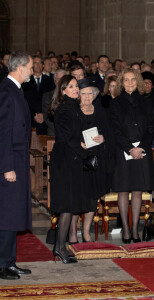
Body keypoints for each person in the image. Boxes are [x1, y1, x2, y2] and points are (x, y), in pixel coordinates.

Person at [110, 68, 154, 243]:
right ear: (122, 83)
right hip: (123, 151)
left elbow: (150, 128)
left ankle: (136, 229)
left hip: (141, 151)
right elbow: (115, 130)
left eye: (133, 80)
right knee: (123, 190)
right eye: (126, 80)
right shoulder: (115, 103)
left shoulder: (145, 102)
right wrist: (129, 148)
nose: (130, 83)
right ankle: (126, 230)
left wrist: (141, 147)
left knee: (137, 190)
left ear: (138, 82)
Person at [0, 51, 33, 280]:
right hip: (10, 163)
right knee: (7, 214)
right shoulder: (6, 91)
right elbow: (3, 134)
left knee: (12, 214)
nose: (32, 71)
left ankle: (9, 261)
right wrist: (7, 166)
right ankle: (3, 264)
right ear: (20, 67)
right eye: (31, 67)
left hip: (17, 161)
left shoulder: (16, 90)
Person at [68, 78, 112, 244]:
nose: (87, 97)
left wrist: (103, 138)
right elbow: (68, 135)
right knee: (76, 198)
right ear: (78, 95)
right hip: (77, 159)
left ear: (94, 96)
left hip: (95, 160)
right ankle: (73, 232)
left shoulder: (101, 112)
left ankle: (86, 232)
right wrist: (78, 143)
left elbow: (109, 134)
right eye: (84, 93)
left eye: (90, 94)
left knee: (92, 199)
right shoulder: (73, 111)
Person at [49, 75, 86, 264]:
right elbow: (65, 137)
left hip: (72, 160)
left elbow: (77, 134)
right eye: (70, 86)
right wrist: (83, 149)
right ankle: (59, 248)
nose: (75, 89)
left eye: (76, 86)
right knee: (66, 206)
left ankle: (61, 247)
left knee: (70, 206)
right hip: (64, 162)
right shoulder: (64, 109)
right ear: (62, 90)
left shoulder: (74, 108)